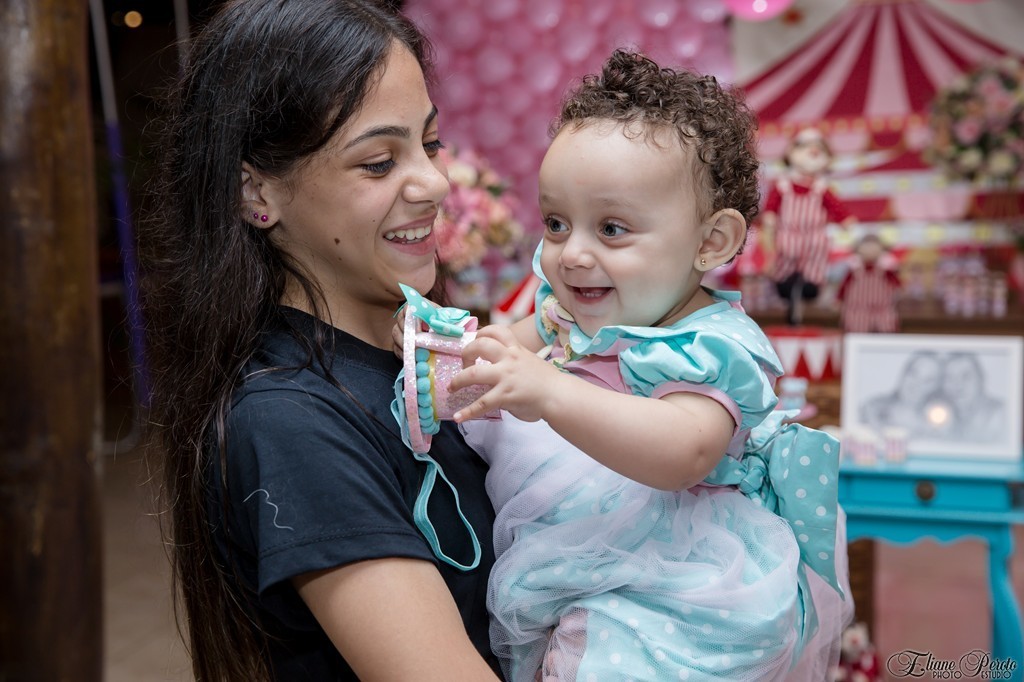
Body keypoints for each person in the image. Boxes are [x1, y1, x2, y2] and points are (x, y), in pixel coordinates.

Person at [398, 50, 852, 681]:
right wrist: (451, 356)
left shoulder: (708, 346)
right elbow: (506, 350)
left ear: (710, 242)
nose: (572, 254)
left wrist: (552, 393)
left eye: (612, 229)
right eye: (557, 223)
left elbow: (681, 453)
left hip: (673, 577)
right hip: (574, 551)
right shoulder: (566, 309)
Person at [139, 1, 501, 679]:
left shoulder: (407, 355)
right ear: (256, 195)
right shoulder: (290, 422)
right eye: (377, 163)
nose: (433, 182)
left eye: (431, 144)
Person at [760, 127, 856, 325]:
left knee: (812, 274)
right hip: (788, 236)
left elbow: (835, 206)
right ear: (791, 153)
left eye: (819, 148)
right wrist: (770, 217)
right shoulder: (782, 185)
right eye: (806, 147)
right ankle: (787, 295)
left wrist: (845, 219)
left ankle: (807, 294)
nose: (813, 151)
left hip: (814, 240)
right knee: (785, 267)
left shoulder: (822, 187)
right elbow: (771, 207)